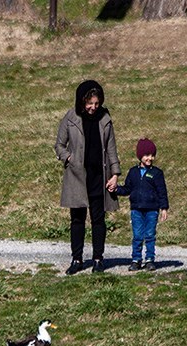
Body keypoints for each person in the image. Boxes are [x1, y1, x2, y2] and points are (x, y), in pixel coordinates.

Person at [54, 80, 121, 274]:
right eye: (90, 103)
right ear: (82, 101)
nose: (93, 107)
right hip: (77, 177)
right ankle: (77, 260)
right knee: (77, 220)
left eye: (96, 103)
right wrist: (69, 158)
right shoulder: (70, 117)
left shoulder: (105, 118)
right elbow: (59, 145)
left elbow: (111, 149)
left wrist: (115, 174)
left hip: (99, 178)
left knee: (99, 220)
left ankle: (98, 259)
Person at [112, 137, 169, 272]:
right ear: (140, 156)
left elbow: (162, 191)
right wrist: (116, 190)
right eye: (146, 155)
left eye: (152, 155)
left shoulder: (157, 173)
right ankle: (136, 259)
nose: (150, 158)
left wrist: (164, 208)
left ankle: (150, 259)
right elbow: (127, 189)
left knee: (149, 235)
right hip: (136, 209)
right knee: (137, 235)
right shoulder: (133, 172)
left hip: (152, 210)